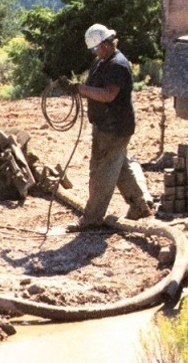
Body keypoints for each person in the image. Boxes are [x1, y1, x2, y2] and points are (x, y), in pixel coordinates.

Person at [66, 23, 155, 231]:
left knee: (101, 172)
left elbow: (108, 95)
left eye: (95, 48)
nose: (94, 52)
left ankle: (92, 218)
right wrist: (79, 87)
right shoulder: (102, 61)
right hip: (105, 125)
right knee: (119, 167)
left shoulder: (117, 65)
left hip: (115, 128)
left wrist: (80, 89)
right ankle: (140, 206)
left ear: (105, 44)